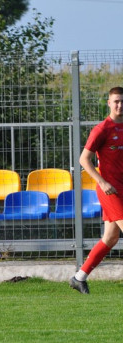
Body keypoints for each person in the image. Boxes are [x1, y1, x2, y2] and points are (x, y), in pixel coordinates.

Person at [70, 87, 123, 294]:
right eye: (116, 101)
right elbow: (84, 159)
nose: (120, 105)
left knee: (110, 238)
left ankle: (78, 277)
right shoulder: (102, 129)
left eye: (122, 101)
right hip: (110, 190)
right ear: (109, 103)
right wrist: (102, 182)